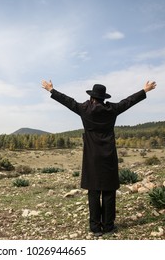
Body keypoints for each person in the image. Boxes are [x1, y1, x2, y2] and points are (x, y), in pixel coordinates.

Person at [41, 79, 157, 236]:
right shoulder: (111, 109)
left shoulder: (85, 109)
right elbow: (127, 102)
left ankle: (95, 228)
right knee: (109, 191)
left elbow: (68, 102)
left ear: (91, 97)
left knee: (94, 192)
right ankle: (108, 226)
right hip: (108, 155)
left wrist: (52, 90)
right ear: (104, 98)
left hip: (91, 156)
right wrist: (144, 90)